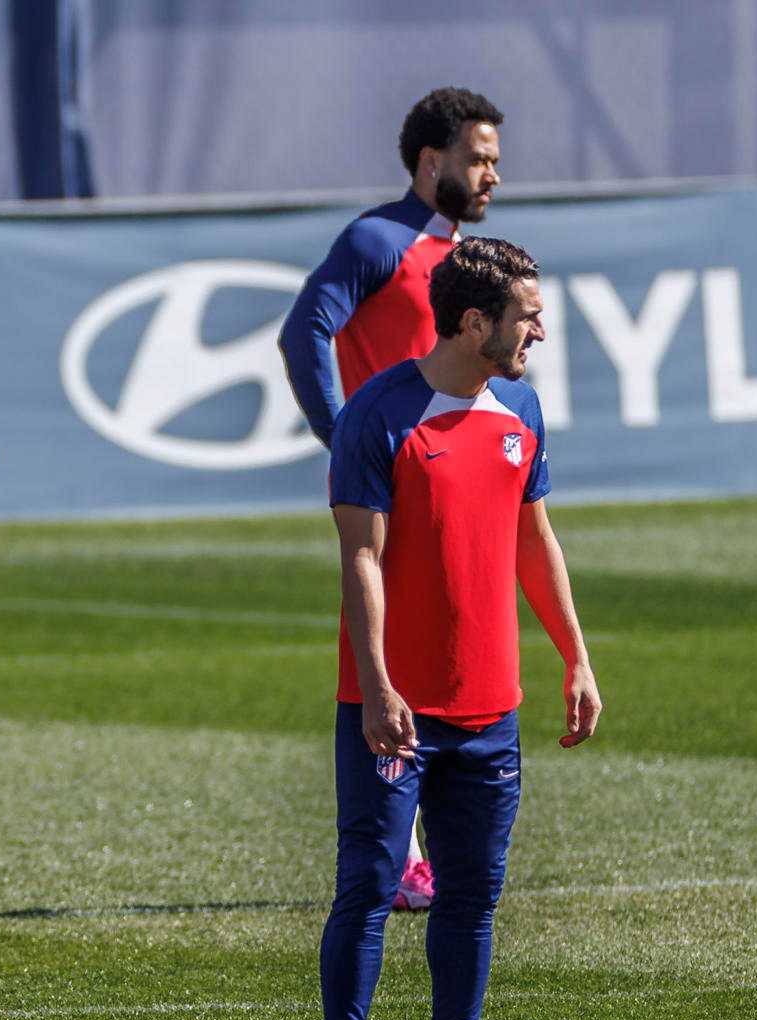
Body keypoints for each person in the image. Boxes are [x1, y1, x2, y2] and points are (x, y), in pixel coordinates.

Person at [316, 237, 601, 1020]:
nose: (540, 333)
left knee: (473, 895)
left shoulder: (521, 409)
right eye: (528, 316)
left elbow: (534, 539)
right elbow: (360, 556)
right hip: (393, 707)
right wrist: (378, 681)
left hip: (492, 705)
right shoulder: (379, 415)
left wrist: (575, 655)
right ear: (475, 320)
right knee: (367, 887)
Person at [279, 86, 506, 913]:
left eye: (493, 162)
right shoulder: (379, 239)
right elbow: (305, 327)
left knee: (447, 641)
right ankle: (401, 850)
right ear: (430, 160)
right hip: (391, 480)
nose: (490, 176)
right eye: (478, 158)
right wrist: (343, 434)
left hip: (454, 474)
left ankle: (422, 840)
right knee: (383, 650)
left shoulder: (461, 252)